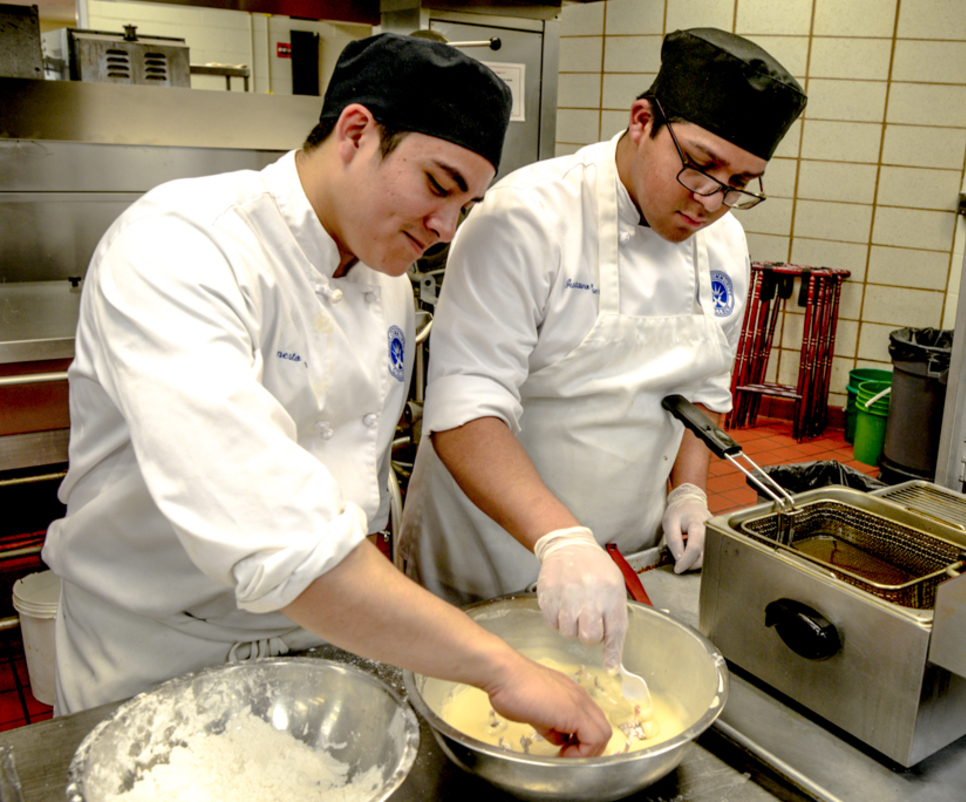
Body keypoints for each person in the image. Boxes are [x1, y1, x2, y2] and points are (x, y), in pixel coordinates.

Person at [41, 32, 612, 755]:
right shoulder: (182, 246)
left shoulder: (390, 284)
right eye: (438, 185)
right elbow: (273, 531)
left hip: (321, 637)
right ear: (355, 131)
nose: (445, 228)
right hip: (155, 648)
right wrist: (497, 668)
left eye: (465, 204)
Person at [400, 28, 807, 669]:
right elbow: (463, 412)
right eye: (699, 165)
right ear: (642, 120)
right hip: (492, 554)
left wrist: (689, 492)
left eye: (740, 182)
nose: (712, 201)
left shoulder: (726, 243)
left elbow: (701, 394)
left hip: (624, 557)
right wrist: (560, 539)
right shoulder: (526, 219)